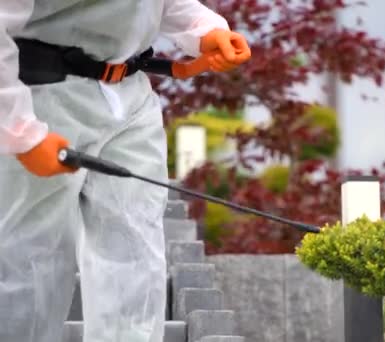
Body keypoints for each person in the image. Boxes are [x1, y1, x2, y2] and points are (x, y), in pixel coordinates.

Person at [0, 1, 251, 341]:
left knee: (136, 253)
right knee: (28, 261)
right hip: (39, 92)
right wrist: (20, 131)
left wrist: (204, 29)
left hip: (130, 97)